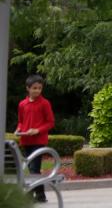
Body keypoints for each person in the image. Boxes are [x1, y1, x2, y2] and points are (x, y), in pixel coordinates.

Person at [16, 74, 55, 203]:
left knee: (33, 168)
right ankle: (40, 195)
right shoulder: (22, 104)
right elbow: (21, 122)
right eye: (34, 88)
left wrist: (37, 130)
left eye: (39, 88)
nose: (37, 90)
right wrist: (19, 129)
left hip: (38, 141)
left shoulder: (45, 103)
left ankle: (30, 195)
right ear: (28, 88)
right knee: (33, 169)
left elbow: (50, 122)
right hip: (26, 140)